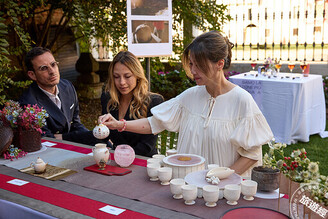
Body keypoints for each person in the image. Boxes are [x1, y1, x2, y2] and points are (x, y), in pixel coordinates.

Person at [99, 31, 273, 176]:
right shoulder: (189, 96)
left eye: (198, 65)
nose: (192, 71)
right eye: (191, 64)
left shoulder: (242, 100)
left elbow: (251, 154)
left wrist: (218, 179)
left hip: (223, 192)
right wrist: (119, 124)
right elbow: (154, 122)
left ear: (220, 64)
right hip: (187, 186)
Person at [20, 47, 106, 146]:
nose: (52, 71)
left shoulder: (67, 86)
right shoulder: (28, 103)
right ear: (32, 75)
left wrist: (92, 137)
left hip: (70, 142)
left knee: (105, 144)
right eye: (44, 68)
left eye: (53, 64)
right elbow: (47, 140)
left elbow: (76, 124)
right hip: (52, 152)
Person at [100, 51, 164, 157]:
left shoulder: (154, 101)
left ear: (137, 76)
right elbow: (104, 138)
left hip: (143, 162)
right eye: (116, 77)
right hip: (115, 161)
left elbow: (146, 146)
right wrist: (101, 129)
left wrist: (118, 155)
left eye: (127, 76)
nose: (122, 82)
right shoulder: (108, 99)